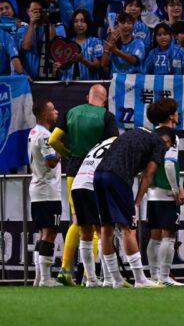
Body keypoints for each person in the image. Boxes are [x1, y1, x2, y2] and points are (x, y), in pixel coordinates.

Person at [48, 84, 119, 286]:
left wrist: (68, 155)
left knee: (78, 221)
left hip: (73, 170)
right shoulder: (105, 116)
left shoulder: (72, 112)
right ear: (104, 99)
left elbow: (53, 139)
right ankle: (90, 276)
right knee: (97, 224)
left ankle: (64, 269)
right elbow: (113, 143)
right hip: (95, 172)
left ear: (89, 96)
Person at [94, 120, 176, 288]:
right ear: (166, 141)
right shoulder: (159, 144)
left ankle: (115, 280)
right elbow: (148, 174)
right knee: (128, 228)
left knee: (106, 227)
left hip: (98, 175)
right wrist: (137, 202)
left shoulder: (135, 133)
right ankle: (139, 279)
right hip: (118, 177)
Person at [71, 137, 129, 288]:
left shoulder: (100, 144)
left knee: (85, 233)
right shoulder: (119, 146)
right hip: (91, 185)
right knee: (103, 230)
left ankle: (91, 279)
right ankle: (109, 279)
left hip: (77, 184)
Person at [145, 98, 184, 287]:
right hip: (166, 191)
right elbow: (170, 165)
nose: (178, 113)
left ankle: (154, 275)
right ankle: (164, 276)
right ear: (171, 115)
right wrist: (176, 189)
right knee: (168, 235)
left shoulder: (151, 135)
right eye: (176, 110)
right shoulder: (171, 136)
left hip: (152, 191)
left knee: (154, 235)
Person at [29, 100, 63, 287]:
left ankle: (39, 278)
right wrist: (60, 152)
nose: (56, 112)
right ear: (44, 115)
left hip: (38, 189)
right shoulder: (45, 136)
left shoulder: (33, 132)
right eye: (53, 110)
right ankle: (46, 279)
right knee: (50, 232)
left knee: (43, 232)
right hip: (48, 190)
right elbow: (51, 161)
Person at [53, 10, 103, 81]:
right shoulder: (67, 43)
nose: (79, 24)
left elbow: (97, 66)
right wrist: (57, 68)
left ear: (88, 23)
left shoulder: (95, 41)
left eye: (83, 21)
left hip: (88, 85)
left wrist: (83, 60)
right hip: (68, 86)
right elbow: (62, 67)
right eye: (76, 21)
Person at [19, 0, 60, 80]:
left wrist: (48, 21)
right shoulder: (23, 29)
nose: (38, 14)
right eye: (34, 11)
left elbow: (55, 46)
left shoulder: (50, 27)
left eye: (40, 11)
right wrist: (32, 23)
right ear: (27, 11)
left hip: (48, 77)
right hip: (29, 78)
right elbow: (26, 47)